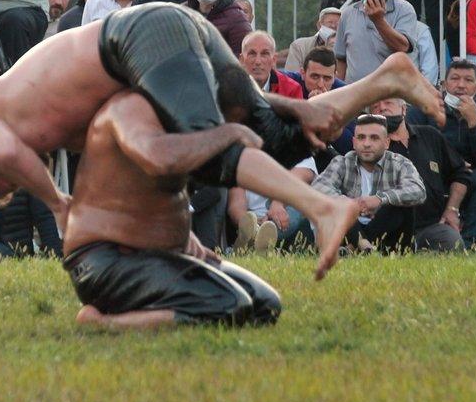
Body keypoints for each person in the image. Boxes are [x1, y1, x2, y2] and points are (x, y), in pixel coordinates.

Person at [0, 1, 444, 227]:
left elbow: (9, 153)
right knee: (283, 139)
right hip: (162, 49)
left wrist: (57, 205)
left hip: (138, 36)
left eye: (12, 184)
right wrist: (287, 103)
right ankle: (387, 78)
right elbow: (165, 97)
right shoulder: (60, 124)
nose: (28, 177)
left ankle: (322, 207)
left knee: (204, 152)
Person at [62, 72, 362, 330]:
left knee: (265, 305)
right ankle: (104, 323)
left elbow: (163, 195)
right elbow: (157, 161)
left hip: (161, 253)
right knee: (230, 305)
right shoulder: (128, 109)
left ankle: (152, 309)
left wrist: (188, 244)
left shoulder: (177, 119)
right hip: (102, 262)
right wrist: (230, 133)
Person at [406, 59, 476, 247]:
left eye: (468, 80)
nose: (461, 85)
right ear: (444, 85)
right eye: (455, 79)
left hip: (467, 178)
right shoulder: (424, 108)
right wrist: (453, 161)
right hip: (432, 175)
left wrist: (475, 123)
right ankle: (416, 237)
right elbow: (410, 146)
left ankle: (470, 243)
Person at [311, 114, 425, 253]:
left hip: (390, 239)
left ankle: (356, 247)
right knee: (335, 204)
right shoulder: (342, 162)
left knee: (400, 205)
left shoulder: (399, 163)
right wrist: (347, 203)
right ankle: (363, 245)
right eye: (361, 137)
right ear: (353, 142)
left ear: (387, 143)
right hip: (349, 230)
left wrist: (380, 199)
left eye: (374, 138)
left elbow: (418, 190)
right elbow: (318, 187)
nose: (366, 143)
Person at [372, 97, 469, 251]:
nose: (382, 108)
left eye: (388, 103)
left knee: (452, 243)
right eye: (376, 106)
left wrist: (452, 209)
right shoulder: (370, 148)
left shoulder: (430, 136)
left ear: (404, 109)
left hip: (431, 227)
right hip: (389, 231)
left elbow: (460, 173)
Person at [334, 0, 416, 82]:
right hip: (356, 95)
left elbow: (402, 47)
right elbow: (341, 60)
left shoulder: (404, 9)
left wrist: (378, 20)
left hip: (390, 95)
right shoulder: (347, 14)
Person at [240, 31, 302, 98]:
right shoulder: (229, 88)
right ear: (242, 60)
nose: (258, 61)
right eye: (252, 54)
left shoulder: (291, 90)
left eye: (264, 54)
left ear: (274, 60)